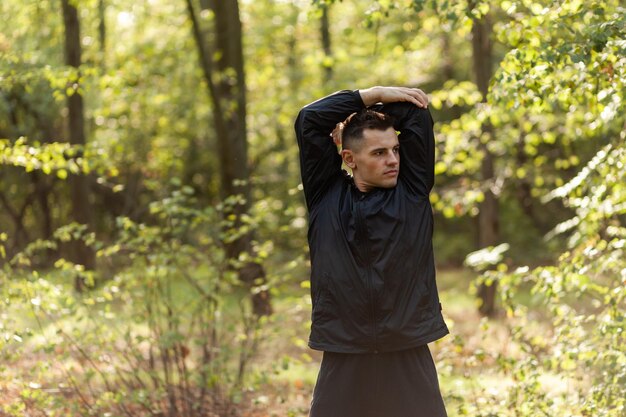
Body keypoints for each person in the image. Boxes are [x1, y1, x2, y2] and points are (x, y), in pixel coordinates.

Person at [294, 86, 449, 417]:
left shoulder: (413, 190)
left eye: (395, 149)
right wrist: (373, 93)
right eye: (379, 153)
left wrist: (381, 105)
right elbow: (310, 119)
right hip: (345, 352)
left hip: (406, 349)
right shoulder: (325, 197)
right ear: (350, 158)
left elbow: (416, 114)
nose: (393, 160)